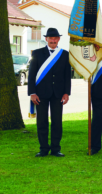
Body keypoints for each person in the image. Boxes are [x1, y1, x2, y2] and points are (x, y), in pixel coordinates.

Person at [28, 27, 72, 157]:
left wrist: (66, 93)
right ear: (46, 39)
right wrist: (32, 93)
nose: (53, 40)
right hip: (40, 94)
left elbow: (67, 76)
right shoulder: (37, 53)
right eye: (50, 38)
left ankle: (55, 149)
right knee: (42, 122)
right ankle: (43, 149)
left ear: (58, 39)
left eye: (55, 38)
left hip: (58, 94)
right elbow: (31, 75)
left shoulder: (64, 54)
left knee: (57, 122)